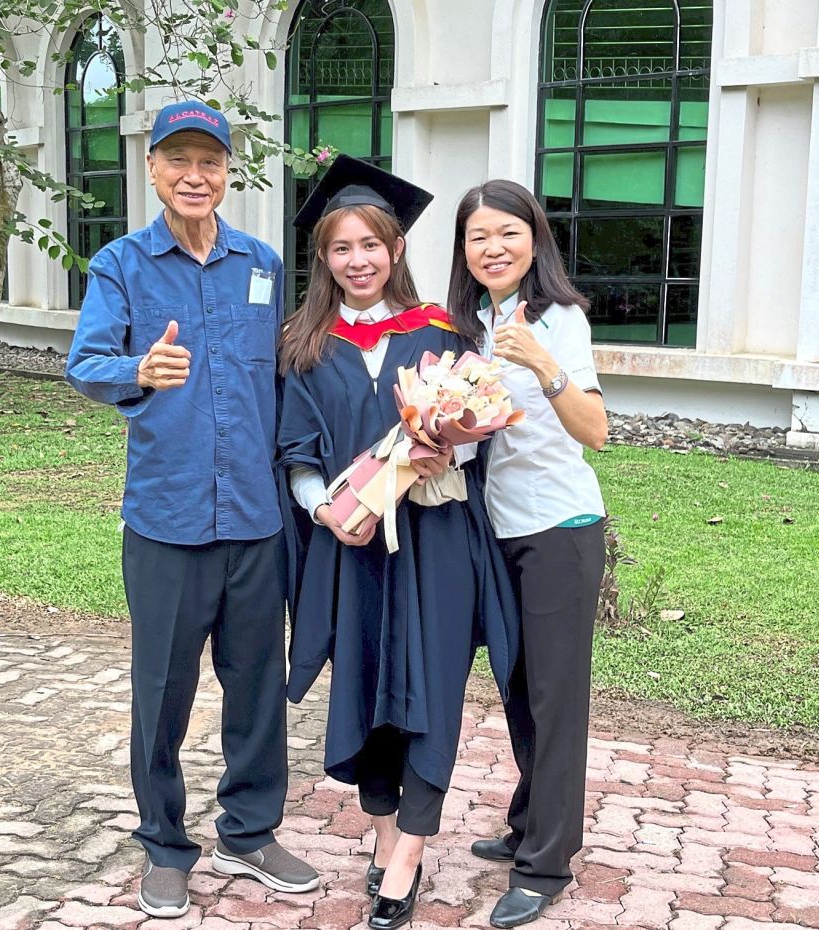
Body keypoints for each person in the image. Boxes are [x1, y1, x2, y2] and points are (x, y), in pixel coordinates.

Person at [64, 101, 319, 920]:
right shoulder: (122, 265)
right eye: (178, 160)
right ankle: (165, 844)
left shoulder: (263, 262)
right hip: (167, 521)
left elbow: (283, 375)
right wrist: (140, 366)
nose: (195, 176)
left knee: (257, 687)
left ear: (228, 170)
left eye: (209, 161)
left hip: (255, 517)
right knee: (163, 691)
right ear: (153, 170)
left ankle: (249, 830)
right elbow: (86, 364)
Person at [278, 156, 519, 930]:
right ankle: (383, 833)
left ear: (395, 249)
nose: (358, 261)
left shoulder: (443, 332)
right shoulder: (304, 346)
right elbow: (297, 455)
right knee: (364, 688)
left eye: (371, 245)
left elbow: (480, 433)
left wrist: (447, 447)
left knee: (432, 691)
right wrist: (324, 511)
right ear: (324, 260)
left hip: (436, 541)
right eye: (341, 249)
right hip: (353, 548)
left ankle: (408, 856)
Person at [444, 179, 609, 930]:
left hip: (557, 529)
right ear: (465, 250)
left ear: (534, 238)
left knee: (555, 695)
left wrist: (545, 363)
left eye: (507, 232)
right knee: (516, 685)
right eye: (479, 237)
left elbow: (595, 431)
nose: (493, 248)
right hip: (495, 529)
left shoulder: (558, 319)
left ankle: (545, 864)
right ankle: (526, 818)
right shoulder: (471, 323)